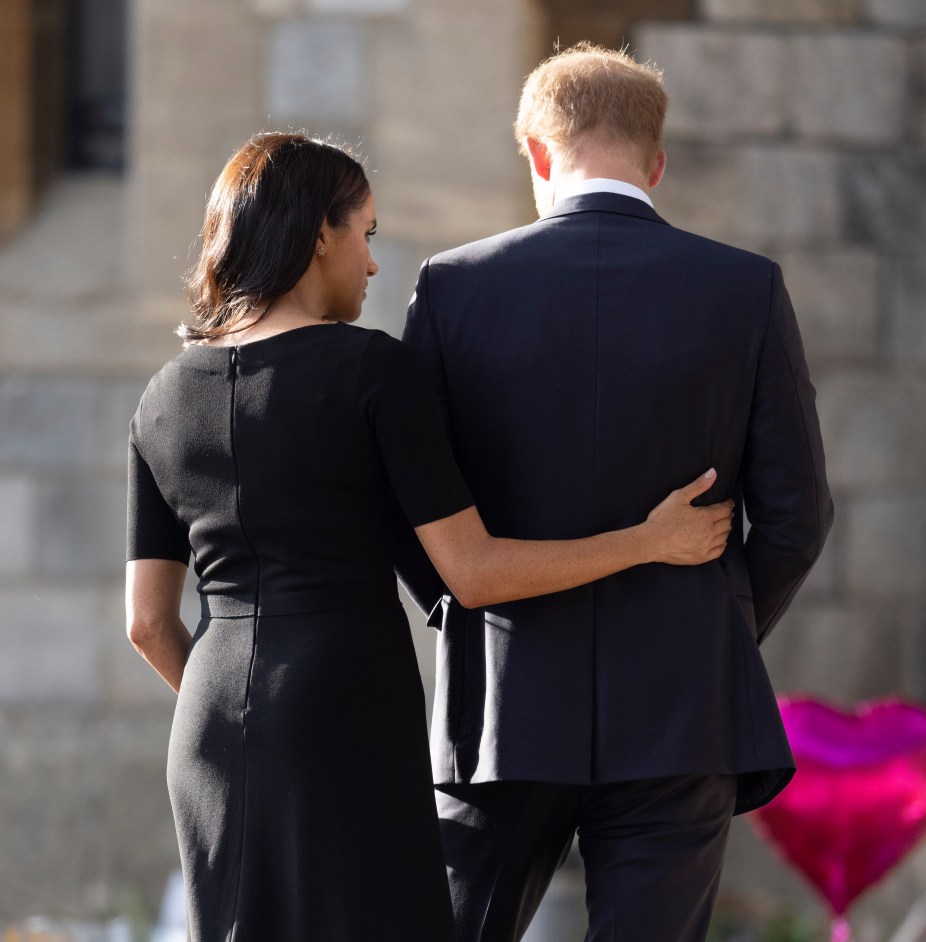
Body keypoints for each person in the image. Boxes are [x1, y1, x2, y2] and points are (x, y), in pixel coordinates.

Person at [124, 131, 735, 942]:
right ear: (318, 237)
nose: (372, 265)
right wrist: (648, 540)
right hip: (342, 707)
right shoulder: (369, 371)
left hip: (204, 727)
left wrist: (240, 720)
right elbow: (471, 572)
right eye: (365, 233)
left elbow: (147, 623)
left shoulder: (161, 396)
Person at [398, 44, 834, 942]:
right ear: (658, 162)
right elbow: (797, 515)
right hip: (681, 708)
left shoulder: (451, 288)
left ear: (535, 151)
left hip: (504, 707)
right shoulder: (745, 289)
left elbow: (408, 499)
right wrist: (709, 624)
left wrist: (468, 610)